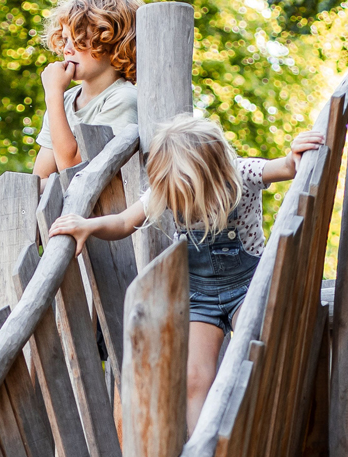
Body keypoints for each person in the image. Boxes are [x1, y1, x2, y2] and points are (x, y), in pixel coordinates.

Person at [47, 114, 325, 421]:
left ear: (214, 173)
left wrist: (296, 153)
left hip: (248, 285)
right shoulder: (166, 188)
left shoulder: (242, 172)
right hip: (199, 296)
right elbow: (125, 221)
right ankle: (201, 448)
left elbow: (285, 167)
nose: (181, 206)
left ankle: (260, 424)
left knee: (256, 350)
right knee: (194, 378)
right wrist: (88, 225)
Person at [33, 0, 139, 179]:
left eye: (79, 40)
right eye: (65, 39)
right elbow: (40, 179)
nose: (67, 49)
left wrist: (53, 96)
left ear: (113, 43)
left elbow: (75, 172)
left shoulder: (123, 98)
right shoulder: (64, 100)